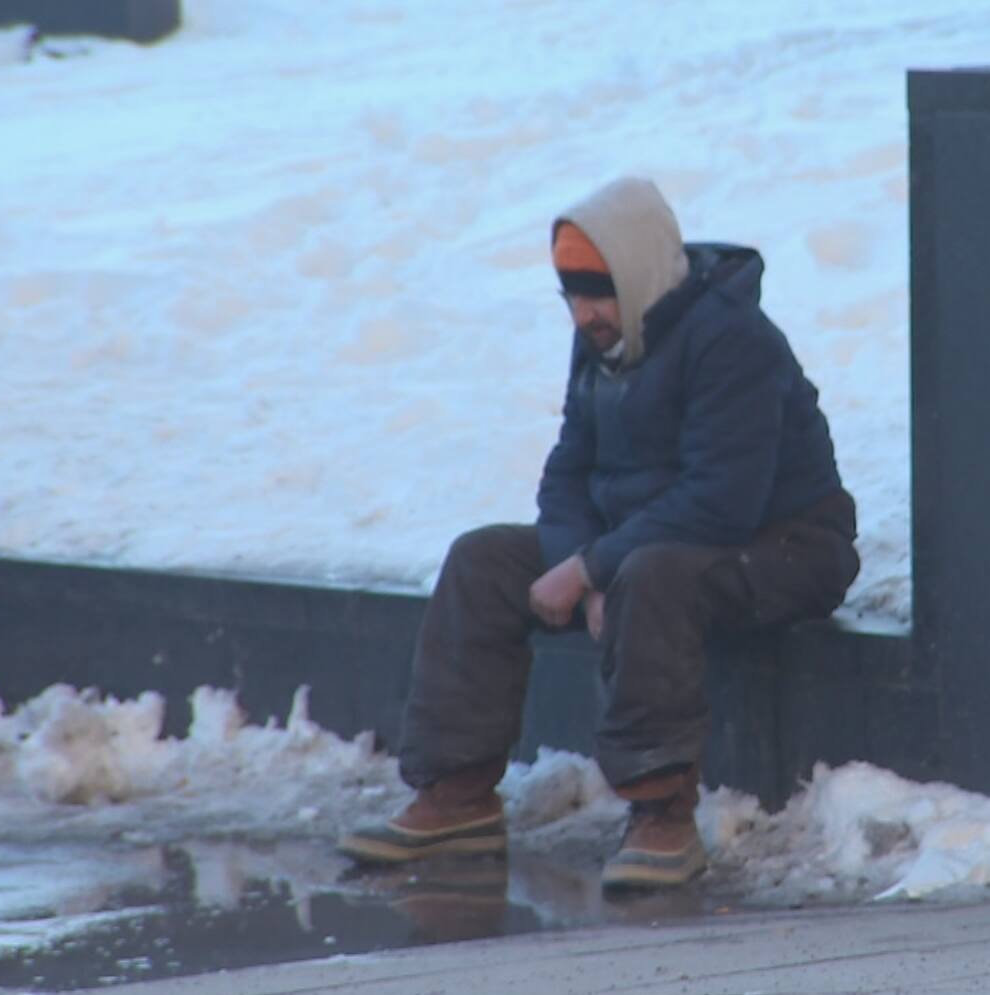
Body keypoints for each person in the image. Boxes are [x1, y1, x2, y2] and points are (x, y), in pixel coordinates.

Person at [341, 177, 859, 889]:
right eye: (571, 293)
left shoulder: (732, 342)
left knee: (653, 576)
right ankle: (455, 794)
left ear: (639, 272)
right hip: (647, 543)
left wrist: (595, 568)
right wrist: (583, 563)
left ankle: (661, 816)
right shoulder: (604, 340)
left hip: (784, 547)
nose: (584, 313)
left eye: (598, 289)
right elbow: (566, 477)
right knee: (483, 562)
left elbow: (722, 502)